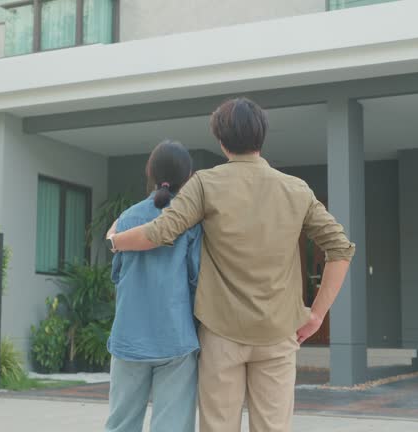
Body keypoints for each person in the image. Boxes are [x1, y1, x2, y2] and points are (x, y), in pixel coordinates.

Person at [106, 98, 355, 432]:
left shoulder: (205, 184)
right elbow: (340, 249)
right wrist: (318, 313)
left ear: (221, 142)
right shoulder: (296, 189)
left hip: (221, 334)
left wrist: (115, 240)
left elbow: (162, 231)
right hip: (277, 332)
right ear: (261, 137)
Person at [104, 140, 202, 432]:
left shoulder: (126, 219)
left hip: (128, 337)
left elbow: (117, 275)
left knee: (120, 424)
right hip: (176, 338)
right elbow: (196, 278)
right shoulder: (190, 221)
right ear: (188, 177)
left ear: (150, 172)